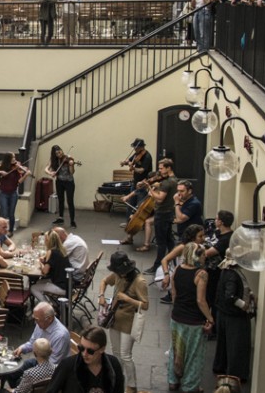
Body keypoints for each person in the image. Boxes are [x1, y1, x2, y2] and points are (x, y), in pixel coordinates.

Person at [96, 251, 148, 393]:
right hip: (114, 319)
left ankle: (131, 384)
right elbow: (104, 281)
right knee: (116, 352)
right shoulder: (117, 275)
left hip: (129, 322)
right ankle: (118, 377)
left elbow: (145, 305)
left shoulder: (139, 282)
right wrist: (101, 295)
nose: (119, 274)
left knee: (126, 355)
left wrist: (127, 298)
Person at [168, 243, 214, 393]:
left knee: (176, 349)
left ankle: (173, 380)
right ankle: (190, 385)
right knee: (194, 353)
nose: (204, 257)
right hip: (194, 321)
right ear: (196, 256)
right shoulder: (201, 274)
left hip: (177, 317)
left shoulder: (177, 270)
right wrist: (210, 318)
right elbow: (200, 300)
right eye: (202, 255)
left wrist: (178, 309)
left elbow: (174, 294)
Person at [214, 252, 254, 382]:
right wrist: (244, 305)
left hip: (224, 313)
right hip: (234, 316)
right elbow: (230, 296)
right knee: (237, 346)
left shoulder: (226, 272)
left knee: (224, 343)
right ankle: (236, 373)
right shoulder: (233, 275)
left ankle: (221, 367)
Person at [148, 159, 180, 273]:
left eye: (161, 168)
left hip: (162, 214)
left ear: (168, 168)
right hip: (169, 212)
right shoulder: (175, 180)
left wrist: (151, 190)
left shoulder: (167, 183)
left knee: (161, 242)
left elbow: (160, 199)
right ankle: (173, 261)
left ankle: (157, 266)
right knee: (169, 240)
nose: (159, 171)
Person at [0, 152, 29, 235]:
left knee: (11, 214)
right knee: (4, 213)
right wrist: (1, 172)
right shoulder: (2, 166)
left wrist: (26, 175)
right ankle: (2, 230)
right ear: (8, 159)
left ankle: (11, 231)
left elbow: (19, 181)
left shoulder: (17, 168)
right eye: (13, 158)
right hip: (3, 193)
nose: (15, 159)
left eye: (14, 157)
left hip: (13, 193)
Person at [32, 230, 71, 303]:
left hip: (60, 287)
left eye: (45, 240)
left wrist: (40, 263)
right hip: (67, 284)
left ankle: (48, 307)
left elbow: (45, 271)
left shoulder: (51, 252)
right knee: (38, 282)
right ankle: (52, 303)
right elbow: (54, 262)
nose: (44, 242)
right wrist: (45, 261)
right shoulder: (62, 250)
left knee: (33, 288)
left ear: (48, 241)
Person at [45, 145, 76, 226]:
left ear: (62, 150)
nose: (59, 154)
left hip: (69, 182)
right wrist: (50, 173)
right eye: (57, 153)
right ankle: (60, 218)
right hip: (59, 182)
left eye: (60, 152)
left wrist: (71, 165)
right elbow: (46, 169)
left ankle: (72, 221)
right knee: (61, 200)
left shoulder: (68, 158)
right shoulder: (54, 160)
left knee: (70, 201)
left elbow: (72, 172)